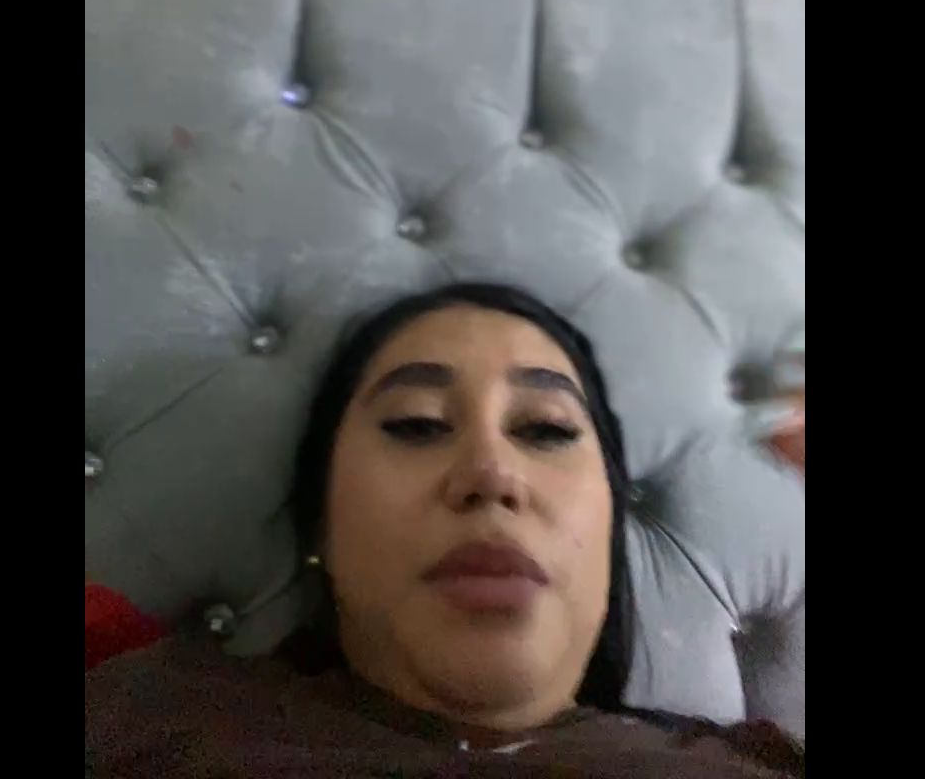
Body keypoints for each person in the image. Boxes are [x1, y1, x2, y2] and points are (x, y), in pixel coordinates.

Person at [85, 282, 804, 777]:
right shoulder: (151, 716)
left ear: (609, 538)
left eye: (547, 430)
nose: (491, 473)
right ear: (323, 527)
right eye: (417, 424)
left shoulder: (753, 762)